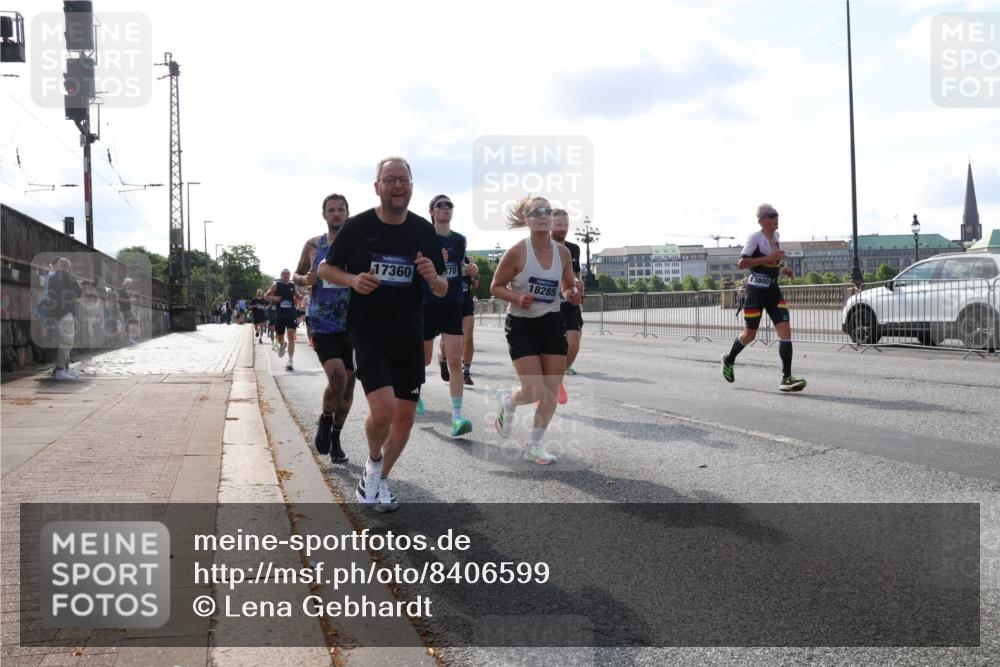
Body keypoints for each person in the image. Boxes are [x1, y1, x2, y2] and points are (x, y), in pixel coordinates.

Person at [319, 156, 447, 512]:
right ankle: (373, 461)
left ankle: (380, 477)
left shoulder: (423, 231)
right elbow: (326, 268)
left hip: (409, 332)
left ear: (411, 186)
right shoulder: (358, 227)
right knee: (385, 409)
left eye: (403, 179)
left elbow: (440, 288)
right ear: (377, 186)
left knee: (404, 418)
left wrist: (433, 276)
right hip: (368, 331)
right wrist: (352, 279)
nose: (397, 185)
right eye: (389, 179)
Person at [490, 196, 582, 464]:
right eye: (536, 212)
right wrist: (517, 298)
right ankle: (509, 403)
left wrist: (572, 293)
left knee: (552, 389)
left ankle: (534, 444)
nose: (543, 215)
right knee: (533, 391)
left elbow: (566, 287)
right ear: (528, 220)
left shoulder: (562, 253)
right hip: (521, 325)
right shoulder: (518, 251)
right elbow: (495, 286)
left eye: (547, 211)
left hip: (551, 323)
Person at [294, 193, 355, 464]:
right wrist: (304, 278)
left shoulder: (358, 243)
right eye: (331, 210)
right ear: (324, 214)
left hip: (353, 322)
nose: (337, 214)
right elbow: (296, 276)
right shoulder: (313, 244)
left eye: (341, 209)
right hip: (322, 322)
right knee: (338, 379)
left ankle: (337, 436)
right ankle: (325, 419)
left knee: (349, 386)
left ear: (347, 213)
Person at [721, 203, 806, 392]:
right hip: (755, 292)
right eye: (773, 215)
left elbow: (773, 260)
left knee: (785, 330)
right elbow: (742, 263)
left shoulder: (776, 236)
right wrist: (768, 259)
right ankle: (729, 358)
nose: (777, 218)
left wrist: (783, 269)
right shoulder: (755, 238)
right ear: (763, 220)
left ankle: (786, 378)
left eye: (777, 215)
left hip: (773, 290)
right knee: (749, 334)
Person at [417, 194, 477, 438]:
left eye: (449, 205)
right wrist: (431, 261)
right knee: (423, 359)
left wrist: (470, 268)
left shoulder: (459, 239)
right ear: (431, 211)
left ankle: (457, 416)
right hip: (427, 303)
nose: (445, 209)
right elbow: (415, 269)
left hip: (452, 303)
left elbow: (462, 265)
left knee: (455, 360)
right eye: (440, 206)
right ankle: (415, 392)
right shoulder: (423, 236)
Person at [551, 209, 585, 402]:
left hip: (569, 301)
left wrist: (579, 287)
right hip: (549, 303)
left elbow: (577, 274)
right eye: (558, 225)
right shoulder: (544, 247)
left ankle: (556, 379)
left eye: (566, 225)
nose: (562, 229)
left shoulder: (574, 249)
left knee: (575, 342)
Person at [48, 257, 83, 381]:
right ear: (67, 267)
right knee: (67, 342)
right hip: (66, 313)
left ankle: (64, 369)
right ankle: (61, 370)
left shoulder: (52, 278)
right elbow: (79, 293)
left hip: (57, 314)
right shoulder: (70, 278)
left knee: (64, 342)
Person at [440, 272, 477, 386]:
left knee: (468, 337)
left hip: (466, 304)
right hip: (449, 303)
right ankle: (444, 361)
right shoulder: (444, 257)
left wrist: (473, 273)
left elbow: (474, 278)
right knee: (447, 338)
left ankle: (466, 372)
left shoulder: (465, 260)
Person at [266, 269, 300, 371]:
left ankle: (290, 361)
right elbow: (265, 295)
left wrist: (302, 296)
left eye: (287, 274)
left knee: (291, 335)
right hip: (280, 315)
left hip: (291, 314)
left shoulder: (292, 286)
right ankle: (282, 344)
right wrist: (274, 298)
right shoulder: (276, 285)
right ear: (281, 276)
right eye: (284, 274)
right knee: (280, 336)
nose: (286, 276)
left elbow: (299, 295)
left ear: (289, 276)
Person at [118, 277, 139, 345]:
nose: (131, 284)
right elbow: (120, 300)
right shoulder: (122, 290)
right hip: (126, 310)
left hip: (127, 309)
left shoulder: (126, 290)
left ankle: (128, 340)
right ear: (127, 283)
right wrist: (130, 300)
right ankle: (128, 339)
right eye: (130, 283)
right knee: (135, 320)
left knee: (128, 324)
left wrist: (131, 299)